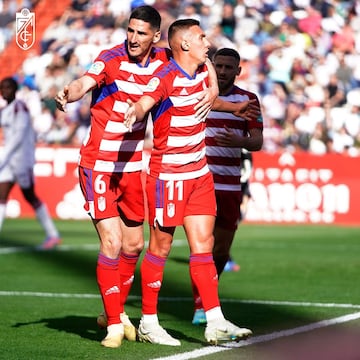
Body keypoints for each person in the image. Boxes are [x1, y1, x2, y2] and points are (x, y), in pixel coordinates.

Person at [54, 6, 219, 348]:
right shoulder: (111, 59)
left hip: (131, 167)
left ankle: (112, 311)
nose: (133, 38)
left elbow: (199, 57)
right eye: (130, 31)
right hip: (99, 164)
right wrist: (68, 92)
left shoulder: (164, 59)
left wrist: (214, 84)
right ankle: (114, 323)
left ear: (156, 37)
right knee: (112, 242)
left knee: (134, 244)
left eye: (141, 33)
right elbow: (86, 81)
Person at [124, 19, 254, 347]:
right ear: (184, 45)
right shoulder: (165, 76)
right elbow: (148, 98)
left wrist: (215, 87)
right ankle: (149, 322)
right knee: (160, 247)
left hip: (199, 175)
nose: (207, 43)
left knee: (203, 246)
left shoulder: (199, 72)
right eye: (201, 38)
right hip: (168, 176)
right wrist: (136, 110)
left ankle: (214, 321)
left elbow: (209, 82)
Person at [191, 48, 263, 325]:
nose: (221, 71)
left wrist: (240, 142)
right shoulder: (198, 91)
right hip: (199, 182)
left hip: (231, 185)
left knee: (220, 250)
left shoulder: (249, 99)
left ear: (237, 71)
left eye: (227, 67)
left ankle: (208, 292)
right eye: (218, 66)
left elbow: (257, 141)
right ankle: (202, 305)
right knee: (202, 247)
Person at [0, 77, 61, 249]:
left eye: (8, 87)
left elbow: (18, 138)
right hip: (9, 161)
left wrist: (2, 160)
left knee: (30, 196)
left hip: (21, 160)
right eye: (2, 88)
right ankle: (53, 235)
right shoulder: (6, 111)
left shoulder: (20, 108)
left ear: (15, 90)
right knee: (1, 196)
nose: (5, 91)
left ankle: (53, 235)